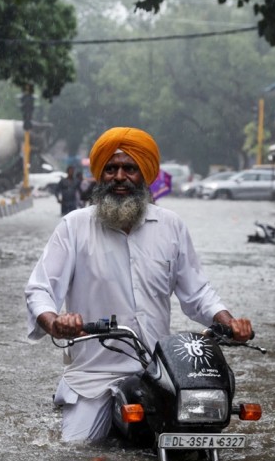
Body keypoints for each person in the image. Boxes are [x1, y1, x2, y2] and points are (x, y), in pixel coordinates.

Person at [25, 126, 253, 442]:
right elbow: (40, 289)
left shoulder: (171, 226)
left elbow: (197, 291)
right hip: (94, 377)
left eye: (129, 168)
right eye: (111, 168)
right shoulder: (74, 227)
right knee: (76, 454)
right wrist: (55, 322)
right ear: (99, 175)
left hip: (161, 373)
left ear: (144, 174)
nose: (120, 176)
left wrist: (229, 322)